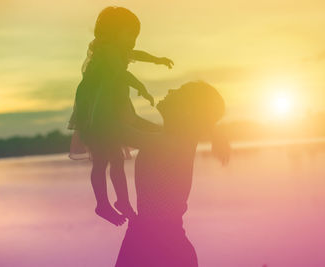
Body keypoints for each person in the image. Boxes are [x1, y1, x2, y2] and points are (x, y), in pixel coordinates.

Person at [68, 6, 173, 226]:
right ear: (113, 31)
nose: (134, 41)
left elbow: (136, 55)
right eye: (130, 35)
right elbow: (121, 73)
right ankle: (102, 204)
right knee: (101, 161)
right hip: (97, 114)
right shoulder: (106, 51)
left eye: (136, 36)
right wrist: (141, 87)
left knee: (116, 160)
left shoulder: (120, 49)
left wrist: (157, 59)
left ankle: (123, 202)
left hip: (113, 110)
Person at [115, 81, 230, 267]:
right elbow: (130, 121)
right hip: (154, 241)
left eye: (179, 91)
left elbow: (112, 130)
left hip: (159, 248)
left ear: (187, 111)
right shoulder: (169, 138)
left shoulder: (169, 143)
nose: (170, 90)